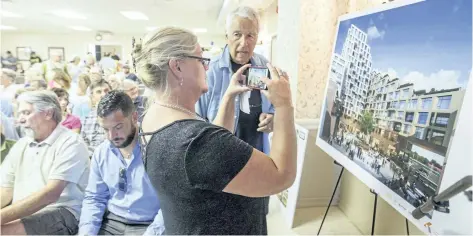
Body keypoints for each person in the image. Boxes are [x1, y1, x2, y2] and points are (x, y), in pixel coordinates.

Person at [136, 26, 296, 235]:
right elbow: (281, 176)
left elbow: (210, 157)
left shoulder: (153, 118)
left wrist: (229, 97)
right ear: (177, 67)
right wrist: (284, 105)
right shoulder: (196, 141)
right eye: (200, 59)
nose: (206, 67)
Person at [195, 6, 275, 215]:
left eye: (250, 35)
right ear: (227, 36)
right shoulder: (210, 71)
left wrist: (272, 116)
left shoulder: (262, 65)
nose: (244, 43)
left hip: (258, 160)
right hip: (222, 166)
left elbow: (273, 103)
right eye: (237, 35)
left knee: (257, 217)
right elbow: (196, 120)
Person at [0, 90, 90, 235]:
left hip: (62, 211)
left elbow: (51, 194)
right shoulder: (22, 144)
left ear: (48, 113)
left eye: (26, 113)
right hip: (27, 211)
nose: (20, 120)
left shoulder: (71, 142)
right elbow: (5, 189)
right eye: (20, 114)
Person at [79, 91, 164, 235]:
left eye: (118, 127)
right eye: (106, 129)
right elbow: (95, 198)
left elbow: (170, 206)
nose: (111, 136)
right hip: (112, 222)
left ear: (134, 117)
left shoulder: (158, 150)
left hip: (147, 225)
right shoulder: (102, 152)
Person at [81, 79, 112, 155]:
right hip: (91, 157)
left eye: (106, 91)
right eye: (99, 92)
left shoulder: (119, 114)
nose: (103, 94)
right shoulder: (88, 118)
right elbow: (83, 141)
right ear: (92, 96)